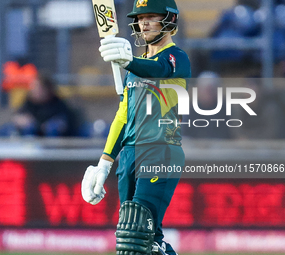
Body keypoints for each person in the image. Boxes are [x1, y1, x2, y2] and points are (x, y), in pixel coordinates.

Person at [81, 1, 191, 255]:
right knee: (139, 238)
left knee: (137, 233)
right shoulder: (134, 67)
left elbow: (158, 69)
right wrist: (105, 162)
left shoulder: (176, 58)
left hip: (160, 149)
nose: (144, 22)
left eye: (152, 16)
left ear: (170, 20)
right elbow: (123, 116)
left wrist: (128, 61)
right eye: (141, 18)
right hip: (129, 154)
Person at [12, 72, 77, 137]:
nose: (33, 90)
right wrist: (20, 120)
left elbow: (66, 122)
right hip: (32, 138)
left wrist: (56, 124)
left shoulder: (57, 103)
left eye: (37, 88)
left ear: (47, 89)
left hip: (53, 139)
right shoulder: (29, 102)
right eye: (33, 87)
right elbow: (18, 117)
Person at [182, 71, 231, 139]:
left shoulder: (226, 110)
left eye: (211, 89)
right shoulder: (188, 110)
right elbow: (184, 134)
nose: (208, 93)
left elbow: (229, 135)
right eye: (204, 89)